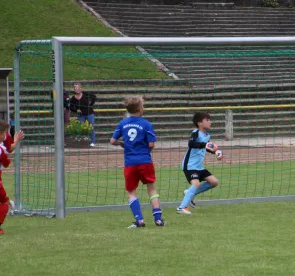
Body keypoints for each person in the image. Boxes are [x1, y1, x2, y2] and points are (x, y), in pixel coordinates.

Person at [110, 96, 165, 228]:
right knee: (151, 189)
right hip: (145, 161)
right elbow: (151, 144)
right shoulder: (146, 124)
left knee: (131, 192)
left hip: (130, 162)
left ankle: (139, 220)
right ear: (140, 109)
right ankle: (158, 219)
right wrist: (146, 150)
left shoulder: (122, 124)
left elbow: (112, 141)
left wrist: (122, 144)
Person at [176, 112, 223, 214]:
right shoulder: (195, 133)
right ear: (199, 123)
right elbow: (191, 143)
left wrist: (216, 152)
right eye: (207, 120)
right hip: (189, 165)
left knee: (214, 182)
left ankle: (189, 193)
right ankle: (182, 207)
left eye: (210, 120)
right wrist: (204, 145)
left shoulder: (207, 135)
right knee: (196, 184)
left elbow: (208, 147)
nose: (210, 122)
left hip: (199, 166)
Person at [69, 82, 97, 147]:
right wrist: (76, 110)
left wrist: (91, 104)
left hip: (89, 113)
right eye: (75, 88)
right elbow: (71, 106)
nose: (77, 89)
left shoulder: (85, 94)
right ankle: (82, 142)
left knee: (91, 127)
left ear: (81, 88)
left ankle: (93, 142)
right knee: (80, 128)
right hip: (81, 115)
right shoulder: (73, 98)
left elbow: (94, 97)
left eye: (78, 87)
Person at [0, 122, 15, 234]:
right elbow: (6, 163)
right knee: (5, 202)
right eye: (5, 133)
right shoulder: (1, 150)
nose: (6, 136)